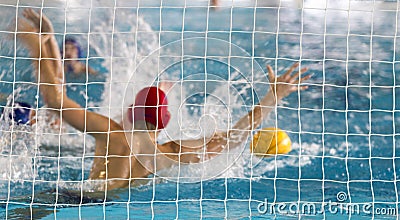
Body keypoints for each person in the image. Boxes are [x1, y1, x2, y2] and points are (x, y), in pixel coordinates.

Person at [16, 9, 311, 191]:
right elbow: (236, 136)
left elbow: (55, 98)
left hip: (79, 199)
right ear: (164, 123)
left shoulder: (113, 135)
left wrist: (48, 42)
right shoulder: (168, 152)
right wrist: (274, 96)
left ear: (131, 113)